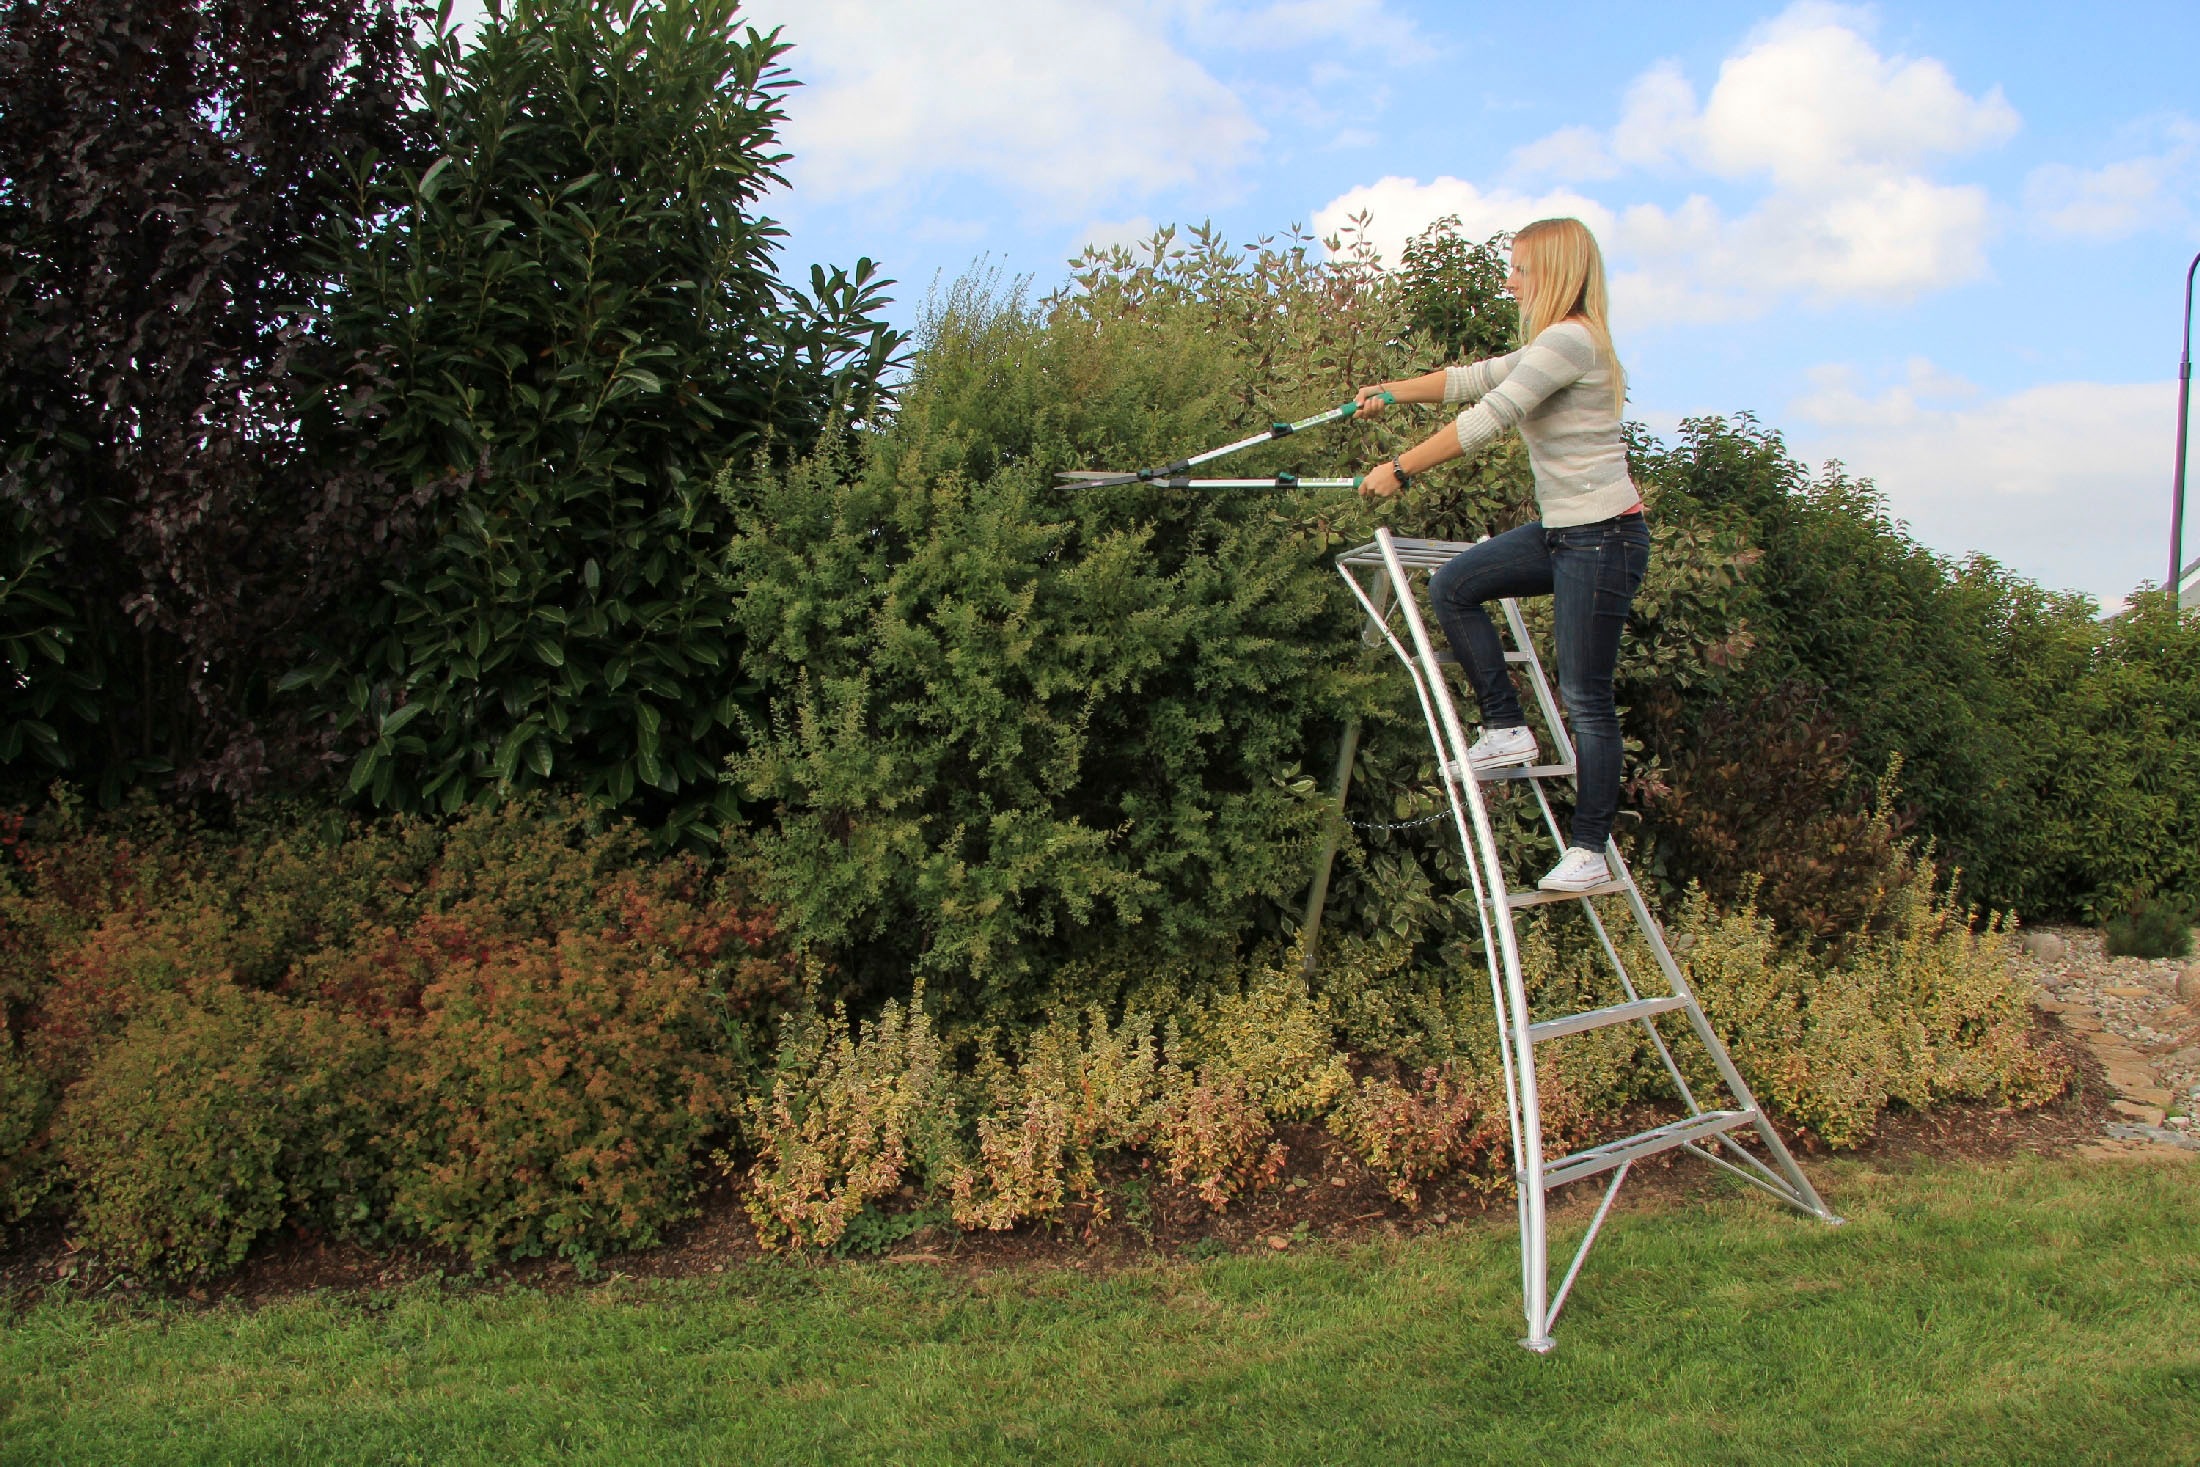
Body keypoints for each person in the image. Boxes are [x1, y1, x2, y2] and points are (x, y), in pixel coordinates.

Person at [1352, 216, 1648, 895]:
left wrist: (1401, 466)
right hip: (1565, 532)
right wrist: (1391, 392)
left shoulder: (1573, 341)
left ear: (1552, 273)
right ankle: (1508, 727)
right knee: (1455, 586)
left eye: (1518, 269)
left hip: (1604, 538)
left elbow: (1490, 415)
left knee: (1586, 697)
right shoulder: (1554, 343)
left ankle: (1589, 848)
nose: (1508, 280)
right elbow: (1468, 380)